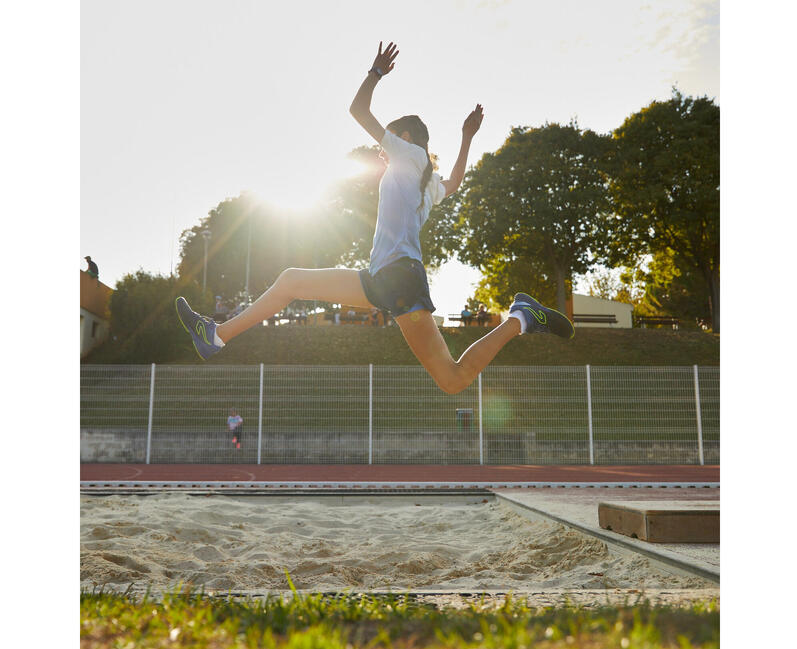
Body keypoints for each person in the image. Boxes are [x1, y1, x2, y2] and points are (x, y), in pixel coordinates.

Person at [175, 41, 574, 394]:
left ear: (402, 139)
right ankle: (216, 336)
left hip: (396, 277)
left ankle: (521, 318)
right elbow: (453, 183)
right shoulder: (426, 180)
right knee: (292, 282)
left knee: (452, 380)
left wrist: (376, 73)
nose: (381, 151)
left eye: (388, 143)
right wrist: (467, 137)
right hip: (385, 278)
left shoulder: (409, 156)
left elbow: (357, 110)